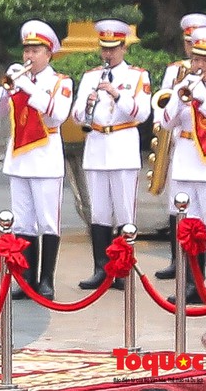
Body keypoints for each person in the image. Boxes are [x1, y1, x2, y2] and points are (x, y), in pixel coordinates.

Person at [0, 19, 73, 300]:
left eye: (36, 50)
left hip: (46, 158)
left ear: (48, 54)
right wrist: (8, 88)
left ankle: (46, 279)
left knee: (48, 221)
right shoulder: (20, 80)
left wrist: (28, 87)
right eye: (26, 50)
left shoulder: (60, 82)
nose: (29, 56)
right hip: (19, 159)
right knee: (23, 222)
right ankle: (25, 279)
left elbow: (56, 114)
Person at [71, 19, 151, 291]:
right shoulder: (90, 77)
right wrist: (87, 106)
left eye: (113, 49)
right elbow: (77, 114)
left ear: (123, 48)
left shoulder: (137, 76)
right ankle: (100, 269)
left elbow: (142, 113)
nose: (108, 54)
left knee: (125, 212)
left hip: (122, 146)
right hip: (96, 146)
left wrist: (116, 94)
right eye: (104, 49)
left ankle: (123, 269)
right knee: (100, 213)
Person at [154, 13, 206, 283]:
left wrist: (201, 97)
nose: (199, 65)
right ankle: (192, 283)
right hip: (185, 159)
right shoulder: (185, 83)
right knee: (189, 226)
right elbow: (166, 122)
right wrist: (179, 100)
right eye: (196, 59)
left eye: (205, 60)